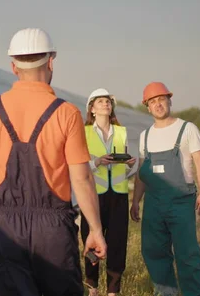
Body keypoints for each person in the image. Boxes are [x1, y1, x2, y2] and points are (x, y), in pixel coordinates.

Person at [0, 27, 107, 296]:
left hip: (7, 227)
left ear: (13, 67)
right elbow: (81, 178)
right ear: (51, 62)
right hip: (53, 230)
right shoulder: (66, 113)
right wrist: (95, 229)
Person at [130, 82, 200, 296]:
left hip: (181, 202)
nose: (158, 104)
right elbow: (141, 173)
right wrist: (136, 200)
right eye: (152, 101)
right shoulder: (145, 136)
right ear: (147, 107)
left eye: (161, 99)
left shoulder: (187, 129)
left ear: (169, 101)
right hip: (153, 203)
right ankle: (167, 292)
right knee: (153, 251)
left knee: (187, 255)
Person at [80, 88, 136, 296]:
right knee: (90, 239)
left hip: (119, 196)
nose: (106, 104)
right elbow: (78, 165)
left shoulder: (121, 132)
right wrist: (97, 162)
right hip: (93, 195)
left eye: (108, 102)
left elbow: (128, 169)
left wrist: (130, 164)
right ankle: (92, 288)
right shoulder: (83, 132)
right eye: (101, 101)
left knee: (118, 242)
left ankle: (113, 291)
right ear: (92, 109)